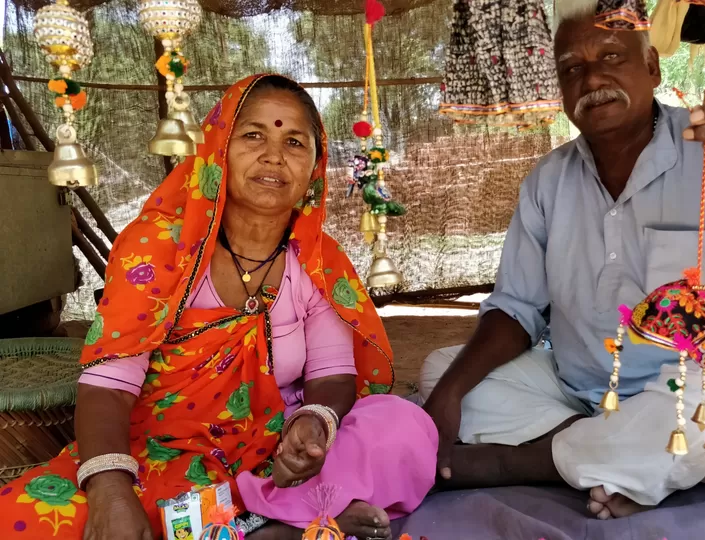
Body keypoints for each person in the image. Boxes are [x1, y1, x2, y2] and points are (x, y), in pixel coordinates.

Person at [419, 1, 705, 520]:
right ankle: (619, 456)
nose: (592, 77)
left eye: (611, 56)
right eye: (571, 68)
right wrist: (447, 396)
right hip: (578, 389)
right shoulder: (548, 182)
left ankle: (525, 463)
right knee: (442, 372)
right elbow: (516, 308)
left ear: (652, 68)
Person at [0, 74, 437, 540]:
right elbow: (108, 384)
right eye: (253, 135)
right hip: (165, 448)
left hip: (275, 445)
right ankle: (292, 519)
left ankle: (276, 513)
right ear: (218, 148)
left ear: (314, 166)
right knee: (29, 521)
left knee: (399, 425)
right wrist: (110, 491)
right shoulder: (157, 249)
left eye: (294, 141)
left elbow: (332, 373)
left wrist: (314, 424)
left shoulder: (318, 260)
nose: (273, 155)